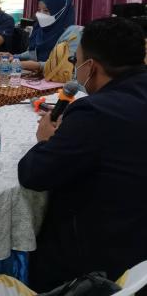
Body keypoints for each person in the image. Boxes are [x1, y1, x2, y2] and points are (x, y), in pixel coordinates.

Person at [18, 17, 147, 292]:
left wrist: (46, 139)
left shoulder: (95, 111)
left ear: (92, 66)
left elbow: (33, 173)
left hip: (95, 260)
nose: (75, 68)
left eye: (75, 61)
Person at [0, 0, 81, 73]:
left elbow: (66, 65)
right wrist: (15, 57)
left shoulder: (73, 34)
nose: (41, 14)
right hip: (40, 77)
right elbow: (34, 53)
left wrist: (38, 66)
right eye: (39, 10)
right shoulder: (40, 29)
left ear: (61, 12)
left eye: (46, 11)